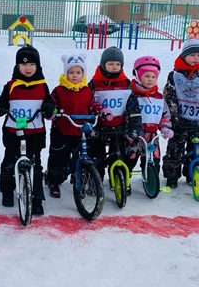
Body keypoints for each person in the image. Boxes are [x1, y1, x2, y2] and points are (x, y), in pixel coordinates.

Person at [0, 44, 55, 215]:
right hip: (14, 132)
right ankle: (7, 192)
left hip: (35, 133)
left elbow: (49, 101)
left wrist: (49, 107)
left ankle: (37, 199)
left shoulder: (42, 85)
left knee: (36, 165)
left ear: (37, 66)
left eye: (32, 64)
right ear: (18, 66)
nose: (28, 68)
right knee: (9, 162)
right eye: (24, 64)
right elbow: (3, 102)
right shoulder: (11, 85)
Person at [162, 38, 199, 188]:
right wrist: (174, 118)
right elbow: (171, 98)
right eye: (192, 55)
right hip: (181, 121)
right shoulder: (175, 75)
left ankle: (193, 174)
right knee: (175, 150)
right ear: (184, 56)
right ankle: (172, 176)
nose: (196, 58)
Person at [46, 53, 105, 198]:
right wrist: (52, 111)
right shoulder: (59, 90)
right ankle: (53, 180)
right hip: (62, 129)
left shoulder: (87, 91)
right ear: (66, 73)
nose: (74, 75)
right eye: (71, 72)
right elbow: (52, 102)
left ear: (83, 73)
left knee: (83, 155)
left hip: (81, 131)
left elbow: (93, 105)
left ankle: (81, 179)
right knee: (58, 157)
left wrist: (102, 111)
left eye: (78, 72)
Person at [88, 47, 142, 194]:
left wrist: (135, 124)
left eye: (117, 64)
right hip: (100, 128)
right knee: (97, 158)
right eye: (110, 64)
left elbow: (132, 105)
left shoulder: (125, 83)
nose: (114, 67)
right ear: (103, 64)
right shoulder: (94, 83)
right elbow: (88, 103)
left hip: (119, 128)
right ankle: (95, 181)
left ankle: (119, 181)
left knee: (118, 156)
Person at [126, 56, 173, 177]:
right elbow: (124, 114)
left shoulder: (158, 97)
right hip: (134, 136)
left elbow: (164, 115)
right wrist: (127, 130)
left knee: (154, 160)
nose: (150, 80)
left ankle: (151, 179)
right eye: (146, 76)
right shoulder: (131, 95)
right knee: (129, 159)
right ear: (137, 75)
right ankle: (124, 180)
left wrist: (165, 127)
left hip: (152, 136)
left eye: (153, 77)